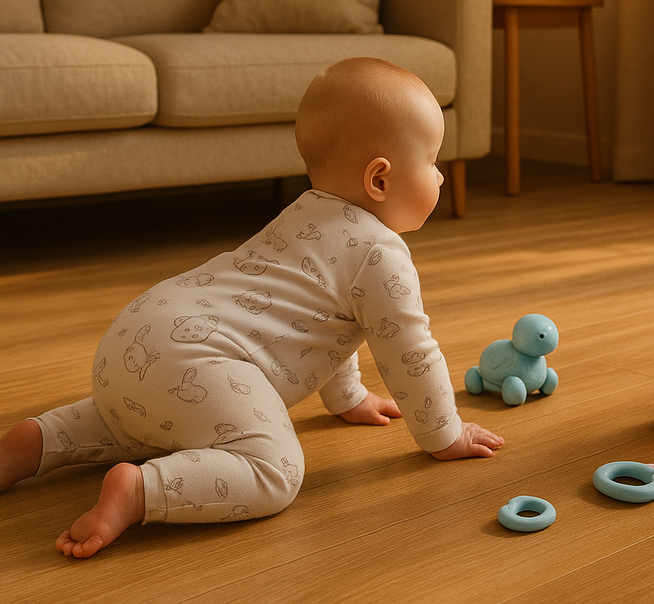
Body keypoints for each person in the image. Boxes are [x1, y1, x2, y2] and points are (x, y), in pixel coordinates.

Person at [0, 57, 503, 558]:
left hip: (136, 336)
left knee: (130, 416)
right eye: (433, 162)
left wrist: (348, 397)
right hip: (200, 359)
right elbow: (410, 352)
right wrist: (445, 434)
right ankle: (142, 492)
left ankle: (39, 441)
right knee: (275, 470)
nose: (439, 177)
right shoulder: (380, 253)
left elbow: (328, 320)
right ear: (380, 180)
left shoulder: (302, 214)